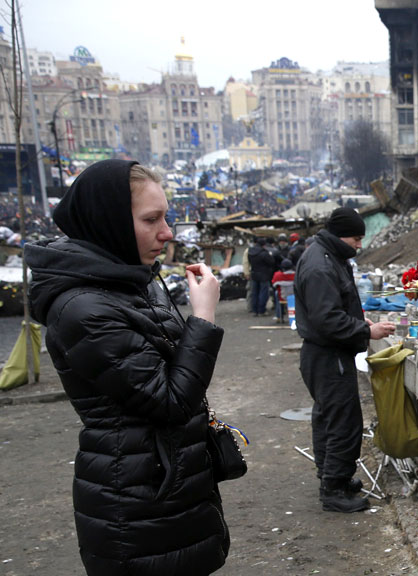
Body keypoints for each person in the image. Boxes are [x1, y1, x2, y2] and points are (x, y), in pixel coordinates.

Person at [24, 159, 229, 575]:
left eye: (166, 217)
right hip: (136, 504)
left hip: (162, 487)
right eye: (151, 220)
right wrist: (204, 318)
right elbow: (172, 401)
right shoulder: (83, 308)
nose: (167, 233)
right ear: (108, 223)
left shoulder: (130, 281)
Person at [294, 207, 395, 513]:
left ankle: (332, 476)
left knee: (328, 417)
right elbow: (327, 319)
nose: (359, 245)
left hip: (327, 353)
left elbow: (336, 308)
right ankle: (334, 489)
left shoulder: (329, 256)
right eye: (356, 239)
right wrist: (367, 331)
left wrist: (360, 323)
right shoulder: (320, 266)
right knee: (343, 422)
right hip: (328, 355)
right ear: (340, 235)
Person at [247, 236, 275, 316]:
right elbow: (271, 262)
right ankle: (261, 310)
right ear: (263, 245)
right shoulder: (264, 253)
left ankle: (254, 310)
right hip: (264, 275)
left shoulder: (250, 252)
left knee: (254, 293)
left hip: (254, 274)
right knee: (263, 293)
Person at [272, 258, 296, 323]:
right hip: (295, 296)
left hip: (282, 297)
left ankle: (279, 316)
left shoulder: (277, 275)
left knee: (276, 293)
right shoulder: (296, 275)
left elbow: (274, 285)